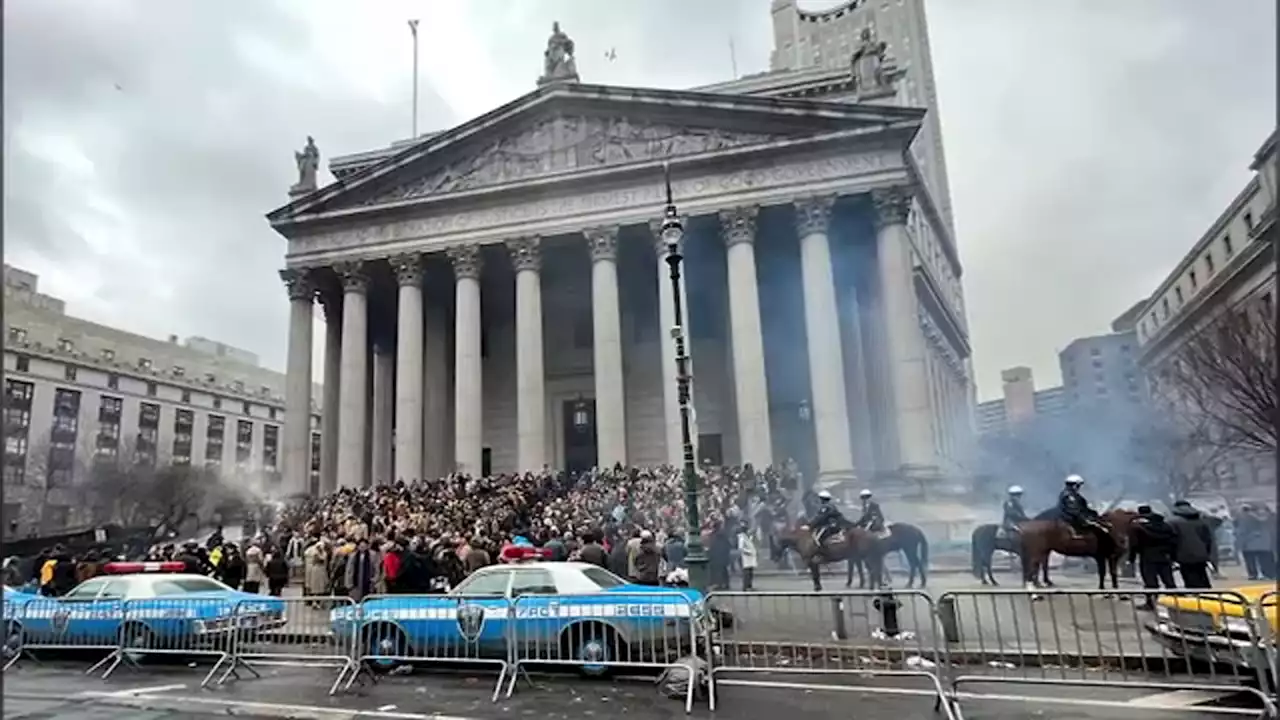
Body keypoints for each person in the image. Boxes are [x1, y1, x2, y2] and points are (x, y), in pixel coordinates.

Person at [1129, 505, 1178, 609]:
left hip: (1147, 557)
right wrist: (1172, 556)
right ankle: (1176, 603)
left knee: (1150, 582)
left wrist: (1131, 558)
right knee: (1169, 581)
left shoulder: (1139, 527)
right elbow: (1174, 542)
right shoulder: (1166, 526)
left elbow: (1134, 544)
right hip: (1164, 557)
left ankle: (1151, 604)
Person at [1169, 500, 1215, 589]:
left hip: (1183, 555)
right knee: (1202, 577)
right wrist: (1207, 553)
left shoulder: (1172, 522)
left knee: (1190, 579)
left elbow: (1172, 540)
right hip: (1201, 554)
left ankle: (1196, 598)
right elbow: (1208, 539)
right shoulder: (1201, 521)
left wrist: (1172, 556)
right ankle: (1207, 596)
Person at [1057, 474, 1104, 540]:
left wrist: (1093, 513)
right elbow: (1075, 510)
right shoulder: (1070, 496)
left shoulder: (1071, 494)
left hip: (1074, 518)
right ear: (1074, 485)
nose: (1079, 487)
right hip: (1072, 520)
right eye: (1078, 485)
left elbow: (1082, 508)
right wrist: (1087, 518)